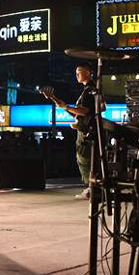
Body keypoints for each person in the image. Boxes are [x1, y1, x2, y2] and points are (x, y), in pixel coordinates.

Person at [40, 64, 96, 199]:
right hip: (86, 130)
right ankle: (91, 188)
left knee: (86, 160)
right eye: (76, 72)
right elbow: (78, 113)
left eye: (79, 72)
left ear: (88, 73)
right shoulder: (89, 90)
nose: (77, 75)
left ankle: (92, 189)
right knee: (85, 160)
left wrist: (67, 107)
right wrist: (55, 99)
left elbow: (85, 111)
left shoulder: (89, 90)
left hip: (87, 132)